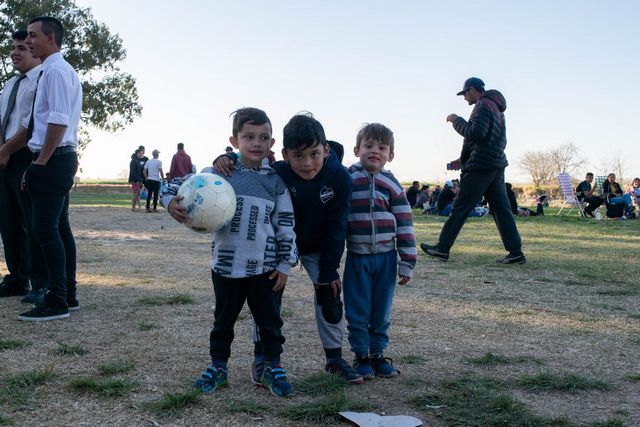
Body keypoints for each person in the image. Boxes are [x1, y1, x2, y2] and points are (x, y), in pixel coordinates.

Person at [214, 113, 362, 384]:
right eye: (298, 156)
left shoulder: (340, 178)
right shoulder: (278, 172)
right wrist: (225, 158)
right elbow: (248, 162)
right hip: (278, 246)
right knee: (266, 298)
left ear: (326, 149)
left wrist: (329, 269)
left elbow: (337, 225)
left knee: (329, 296)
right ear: (284, 154)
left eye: (314, 154)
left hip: (319, 246)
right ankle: (262, 358)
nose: (306, 163)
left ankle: (334, 358)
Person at [164, 108, 298, 397]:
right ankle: (218, 367)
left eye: (264, 137)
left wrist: (285, 264)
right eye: (249, 137)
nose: (257, 143)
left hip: (265, 268)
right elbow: (174, 185)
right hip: (225, 266)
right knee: (222, 322)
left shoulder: (275, 182)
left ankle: (272, 367)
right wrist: (169, 202)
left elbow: (286, 224)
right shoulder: (217, 175)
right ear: (234, 141)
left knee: (270, 323)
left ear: (272, 143)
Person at [420, 77, 525, 264]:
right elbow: (492, 138)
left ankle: (442, 248)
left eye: (465, 93)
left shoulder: (483, 105)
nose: (464, 98)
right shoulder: (496, 108)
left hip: (481, 166)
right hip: (495, 163)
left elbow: (476, 133)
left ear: (472, 90)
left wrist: (456, 120)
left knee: (460, 208)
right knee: (501, 209)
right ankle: (515, 252)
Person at [18, 16, 82, 321]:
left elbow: (58, 119)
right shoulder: (56, 69)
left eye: (32, 35)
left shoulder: (55, 71)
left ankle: (56, 300)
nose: (28, 41)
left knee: (45, 229)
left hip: (53, 158)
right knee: (59, 228)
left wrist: (40, 160)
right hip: (60, 157)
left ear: (51, 39)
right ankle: (67, 294)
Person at [344, 123, 417, 379]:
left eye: (382, 147)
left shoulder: (392, 185)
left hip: (386, 258)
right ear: (357, 150)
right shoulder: (348, 180)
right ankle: (361, 355)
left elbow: (405, 222)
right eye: (369, 145)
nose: (375, 151)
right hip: (357, 257)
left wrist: (407, 261)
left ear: (390, 155)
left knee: (381, 311)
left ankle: (377, 354)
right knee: (357, 309)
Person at [0, 30, 47, 304]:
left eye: (21, 48)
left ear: (34, 52)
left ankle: (40, 282)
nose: (14, 53)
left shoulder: (42, 79)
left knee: (32, 222)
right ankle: (17, 278)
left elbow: (30, 125)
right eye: (13, 48)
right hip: (4, 157)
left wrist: (6, 150)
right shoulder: (10, 83)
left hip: (25, 155)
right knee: (8, 221)